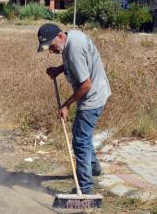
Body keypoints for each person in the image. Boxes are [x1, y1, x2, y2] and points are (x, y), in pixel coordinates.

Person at [37, 23, 111, 195]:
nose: (50, 50)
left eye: (51, 46)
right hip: (97, 91)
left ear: (60, 36)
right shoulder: (71, 39)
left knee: (80, 141)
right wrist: (59, 69)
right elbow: (75, 63)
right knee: (82, 134)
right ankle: (94, 168)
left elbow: (85, 85)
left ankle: (85, 189)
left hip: (92, 97)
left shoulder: (73, 49)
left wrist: (66, 105)